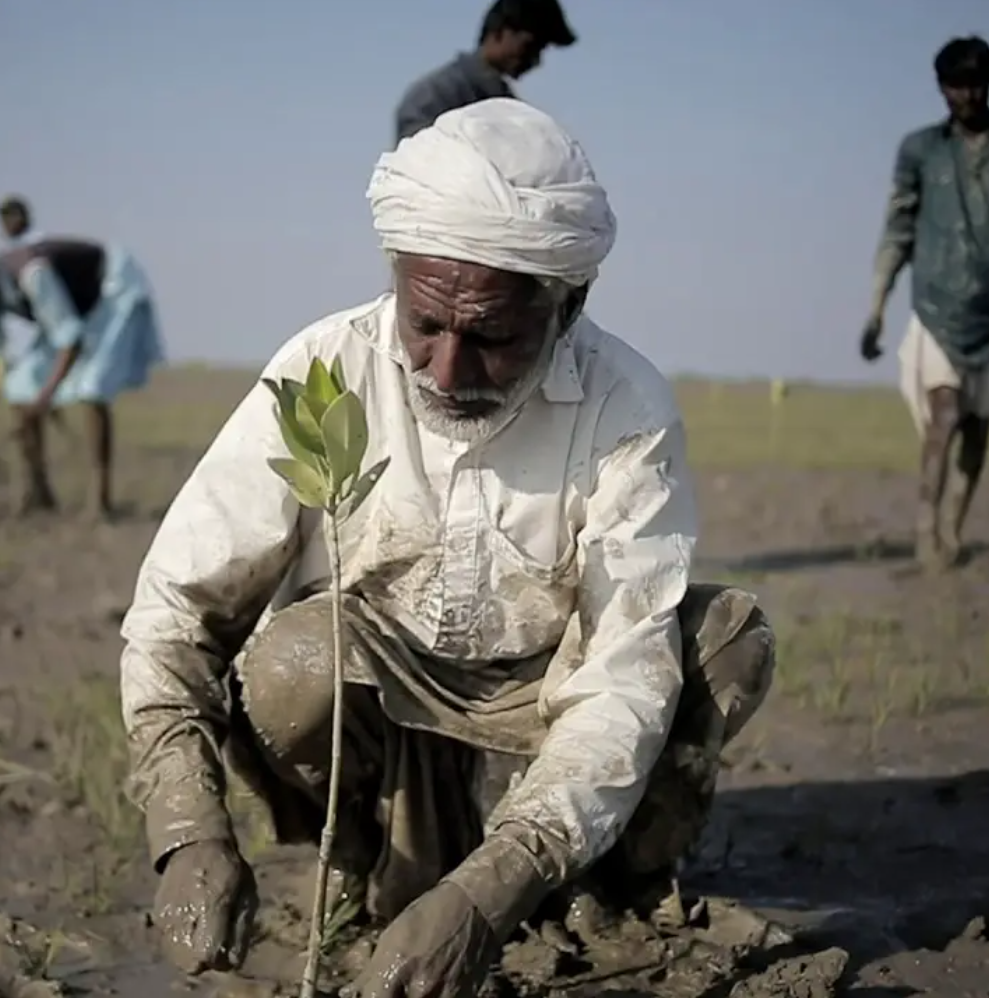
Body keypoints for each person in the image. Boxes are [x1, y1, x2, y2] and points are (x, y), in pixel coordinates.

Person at [119, 99, 778, 998]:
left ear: (569, 301)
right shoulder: (325, 370)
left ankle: (610, 885)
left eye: (493, 338)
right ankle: (355, 860)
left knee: (721, 639)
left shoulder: (627, 412)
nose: (445, 371)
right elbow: (176, 613)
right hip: (380, 704)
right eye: (423, 324)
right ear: (396, 275)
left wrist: (489, 892)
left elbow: (620, 681)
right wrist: (188, 831)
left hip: (543, 701)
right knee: (295, 661)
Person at [859, 35, 989, 571]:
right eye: (955, 87)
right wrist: (877, 306)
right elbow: (897, 229)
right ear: (942, 90)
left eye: (974, 84)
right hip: (938, 311)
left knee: (977, 428)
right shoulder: (922, 151)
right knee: (942, 416)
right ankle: (927, 531)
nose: (967, 96)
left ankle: (954, 520)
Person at [0, 233, 166, 517]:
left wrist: (44, 400)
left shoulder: (33, 276)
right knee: (19, 386)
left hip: (111, 289)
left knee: (93, 387)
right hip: (77, 309)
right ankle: (38, 493)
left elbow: (70, 341)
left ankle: (100, 501)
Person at [392, 0, 577, 146]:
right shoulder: (436, 93)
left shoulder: (510, 107)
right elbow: (417, 166)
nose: (535, 60)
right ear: (499, 33)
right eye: (530, 46)